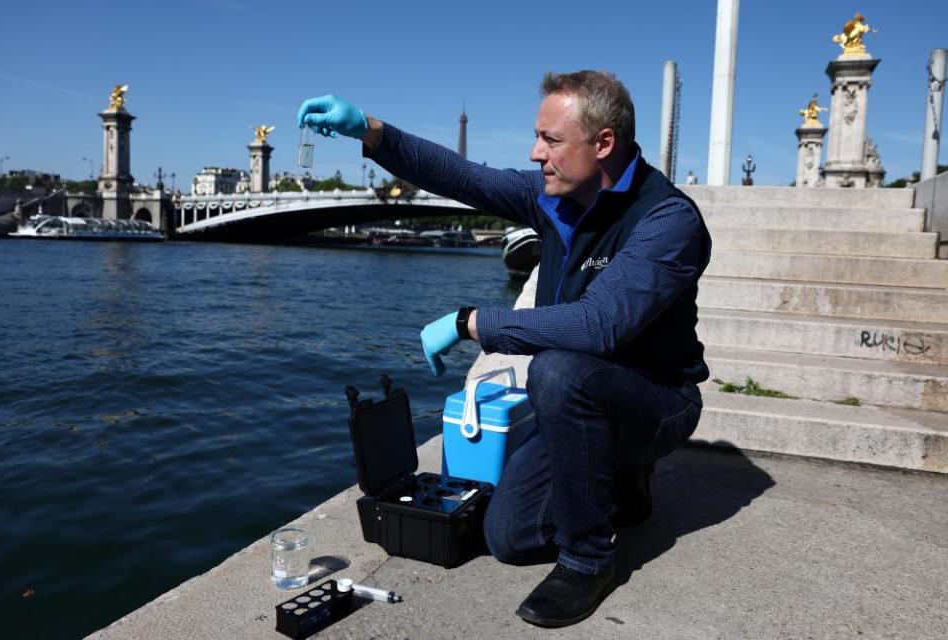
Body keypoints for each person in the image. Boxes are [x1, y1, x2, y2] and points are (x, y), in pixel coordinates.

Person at [297, 70, 711, 628]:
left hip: (657, 398)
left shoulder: (667, 220)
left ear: (604, 143)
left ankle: (589, 559)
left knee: (559, 372)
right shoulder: (555, 197)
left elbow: (598, 326)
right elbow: (463, 176)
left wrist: (472, 323)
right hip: (581, 402)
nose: (535, 152)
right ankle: (619, 482)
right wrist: (370, 132)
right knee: (508, 536)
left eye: (551, 140)